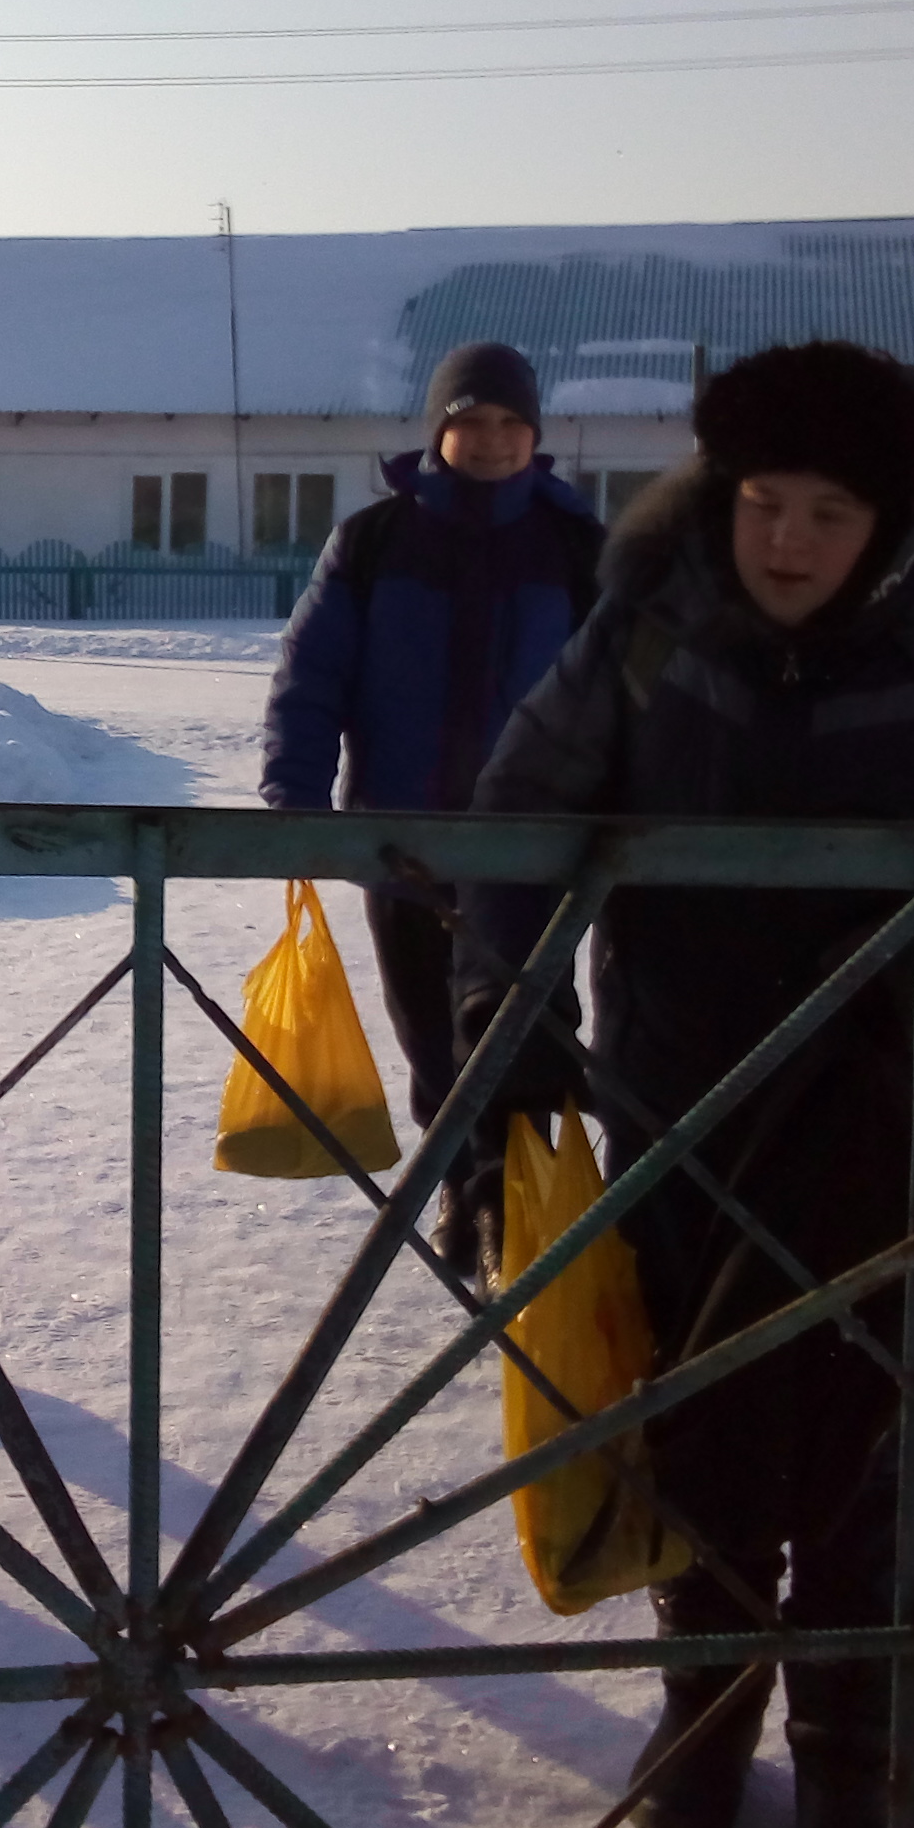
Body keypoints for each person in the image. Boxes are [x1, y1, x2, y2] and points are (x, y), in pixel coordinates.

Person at [456, 341, 914, 1828]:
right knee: (701, 1418)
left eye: (827, 512)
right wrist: (512, 1033)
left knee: (877, 1441)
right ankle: (710, 1704)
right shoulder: (650, 623)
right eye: (762, 502)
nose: (787, 540)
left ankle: (854, 1764)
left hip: (892, 1116)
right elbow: (523, 814)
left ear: (889, 520)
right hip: (680, 1102)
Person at [259, 341, 604, 1275]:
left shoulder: (576, 548)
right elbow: (312, 678)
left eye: (510, 423)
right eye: (471, 422)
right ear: (437, 432)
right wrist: (295, 797)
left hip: (530, 849)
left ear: (534, 434)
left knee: (523, 1030)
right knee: (430, 1036)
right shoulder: (376, 542)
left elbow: (621, 692)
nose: (491, 440)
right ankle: (460, 1183)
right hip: (401, 838)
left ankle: (517, 1209)